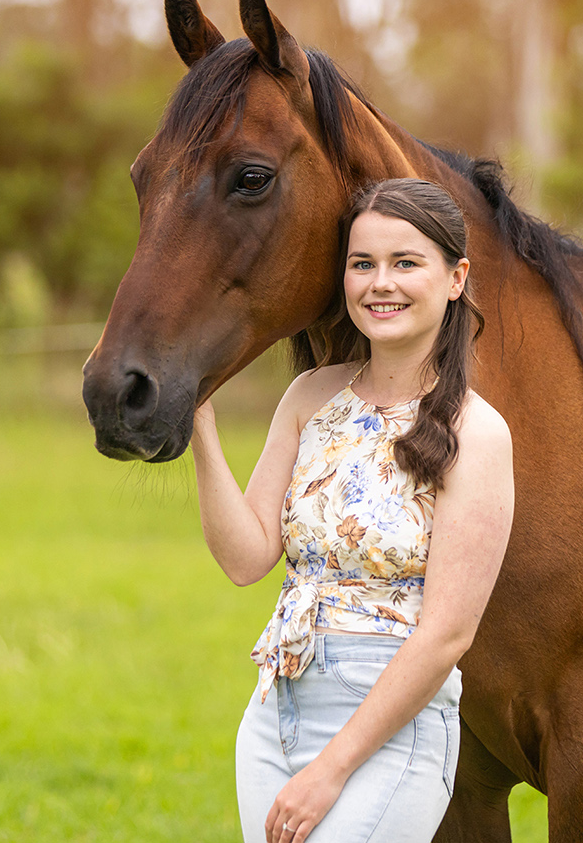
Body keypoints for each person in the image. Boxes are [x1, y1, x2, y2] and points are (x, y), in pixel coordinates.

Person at [190, 177, 514, 843]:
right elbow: (247, 558)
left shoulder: (475, 435)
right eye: (362, 264)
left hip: (390, 732)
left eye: (405, 263)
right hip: (276, 708)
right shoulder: (312, 396)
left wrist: (331, 770)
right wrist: (198, 424)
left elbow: (447, 635)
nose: (379, 283)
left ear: (455, 278)